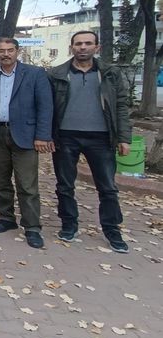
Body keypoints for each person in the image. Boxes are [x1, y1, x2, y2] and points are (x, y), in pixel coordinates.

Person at [48, 31, 132, 253]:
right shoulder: (58, 74)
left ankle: (112, 230)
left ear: (97, 47)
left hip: (101, 137)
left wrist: (124, 137)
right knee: (65, 185)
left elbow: (121, 106)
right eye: (78, 44)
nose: (82, 47)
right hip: (66, 136)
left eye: (87, 43)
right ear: (72, 47)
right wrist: (48, 135)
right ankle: (69, 224)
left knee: (107, 187)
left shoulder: (110, 74)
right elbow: (48, 107)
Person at [0, 38, 53, 249]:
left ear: (17, 51)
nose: (6, 54)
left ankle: (32, 227)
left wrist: (42, 136)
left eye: (10, 50)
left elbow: (45, 107)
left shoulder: (35, 74)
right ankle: (6, 218)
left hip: (26, 135)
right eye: (1, 51)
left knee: (27, 184)